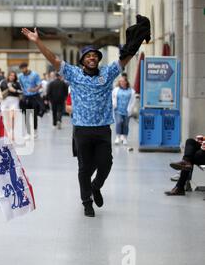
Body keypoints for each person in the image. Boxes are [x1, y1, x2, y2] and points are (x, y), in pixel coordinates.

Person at [22, 16, 149, 217]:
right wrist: (37, 41)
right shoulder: (73, 73)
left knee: (106, 163)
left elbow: (126, 57)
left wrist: (138, 38)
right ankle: (86, 201)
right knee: (84, 167)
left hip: (102, 128)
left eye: (95, 56)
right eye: (88, 56)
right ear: (82, 60)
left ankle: (96, 186)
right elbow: (53, 60)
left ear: (98, 59)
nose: (92, 58)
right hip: (81, 129)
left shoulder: (107, 73)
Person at [18, 62, 43, 139]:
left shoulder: (34, 75)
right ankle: (28, 133)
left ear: (26, 67)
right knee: (26, 115)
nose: (22, 70)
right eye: (21, 69)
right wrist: (22, 93)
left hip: (34, 96)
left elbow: (39, 84)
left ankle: (35, 131)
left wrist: (34, 89)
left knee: (34, 114)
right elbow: (21, 85)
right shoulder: (20, 76)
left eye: (23, 68)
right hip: (26, 97)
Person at [112, 76, 136, 145]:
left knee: (125, 124)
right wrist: (113, 104)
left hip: (127, 110)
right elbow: (113, 97)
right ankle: (118, 137)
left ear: (126, 82)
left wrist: (130, 109)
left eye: (123, 81)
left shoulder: (131, 91)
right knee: (119, 122)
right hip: (118, 110)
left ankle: (125, 138)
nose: (121, 82)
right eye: (120, 81)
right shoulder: (116, 90)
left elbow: (133, 101)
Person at [0, 71, 22, 141]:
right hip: (5, 101)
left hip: (14, 101)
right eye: (11, 75)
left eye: (13, 75)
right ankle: (7, 133)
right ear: (8, 75)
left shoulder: (17, 83)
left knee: (12, 117)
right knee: (6, 119)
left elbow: (21, 92)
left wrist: (14, 90)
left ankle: (12, 133)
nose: (12, 77)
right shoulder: (3, 82)